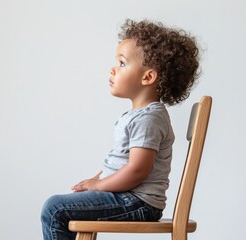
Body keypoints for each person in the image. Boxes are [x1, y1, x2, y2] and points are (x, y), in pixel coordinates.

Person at [41, 19, 200, 240]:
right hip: (127, 197)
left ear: (148, 77)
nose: (113, 69)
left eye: (122, 63)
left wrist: (98, 186)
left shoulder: (149, 119)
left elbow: (137, 171)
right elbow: (119, 164)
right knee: (63, 206)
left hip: (136, 201)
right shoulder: (139, 116)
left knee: (55, 209)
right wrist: (94, 181)